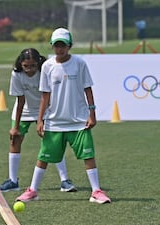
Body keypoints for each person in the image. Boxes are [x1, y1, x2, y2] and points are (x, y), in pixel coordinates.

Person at [16, 28, 111, 204]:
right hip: (54, 122)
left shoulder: (80, 64)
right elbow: (45, 95)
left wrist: (92, 114)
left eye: (63, 46)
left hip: (79, 121)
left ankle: (96, 191)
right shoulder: (47, 66)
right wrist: (40, 120)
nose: (60, 49)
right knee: (43, 157)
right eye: (57, 46)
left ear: (70, 46)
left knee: (88, 156)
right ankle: (33, 191)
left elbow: (87, 89)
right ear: (52, 46)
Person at [0, 48, 77, 193]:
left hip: (46, 109)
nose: (29, 69)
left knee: (53, 143)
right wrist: (15, 127)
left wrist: (41, 119)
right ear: (20, 64)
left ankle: (65, 180)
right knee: (15, 141)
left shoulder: (46, 70)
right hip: (25, 111)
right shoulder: (17, 74)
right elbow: (20, 101)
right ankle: (13, 181)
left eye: (33, 65)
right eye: (26, 66)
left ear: (38, 63)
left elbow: (47, 96)